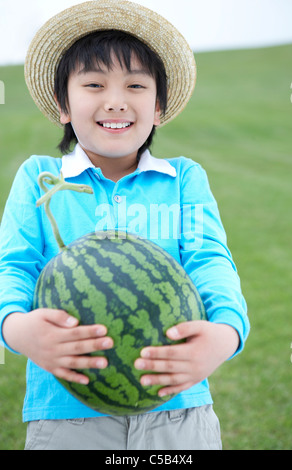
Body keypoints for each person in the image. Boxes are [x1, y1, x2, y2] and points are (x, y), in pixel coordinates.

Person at [0, 0, 249, 450]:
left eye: (136, 85)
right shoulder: (40, 179)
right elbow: (12, 267)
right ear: (63, 105)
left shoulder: (184, 179)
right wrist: (15, 327)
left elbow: (210, 260)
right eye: (93, 84)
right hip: (67, 413)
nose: (115, 100)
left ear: (157, 109)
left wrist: (227, 332)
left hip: (180, 410)